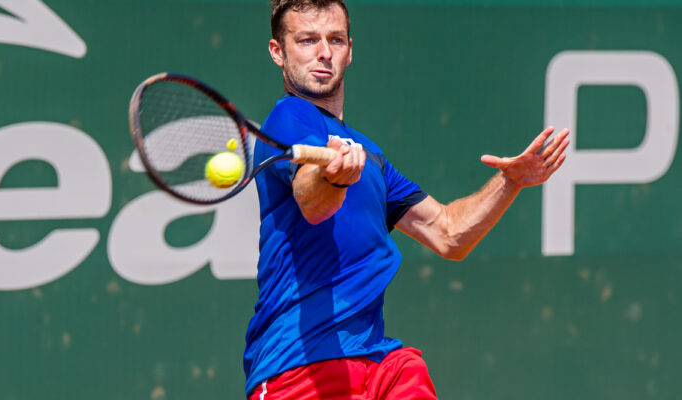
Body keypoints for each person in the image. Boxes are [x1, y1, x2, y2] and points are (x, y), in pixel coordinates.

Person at [243, 0, 570, 399]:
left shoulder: (373, 158)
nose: (324, 52)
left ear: (350, 49)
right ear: (278, 51)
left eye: (335, 39)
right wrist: (335, 179)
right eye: (307, 40)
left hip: (376, 365)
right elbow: (312, 201)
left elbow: (449, 233)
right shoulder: (288, 118)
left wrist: (511, 181)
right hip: (298, 369)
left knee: (409, 368)